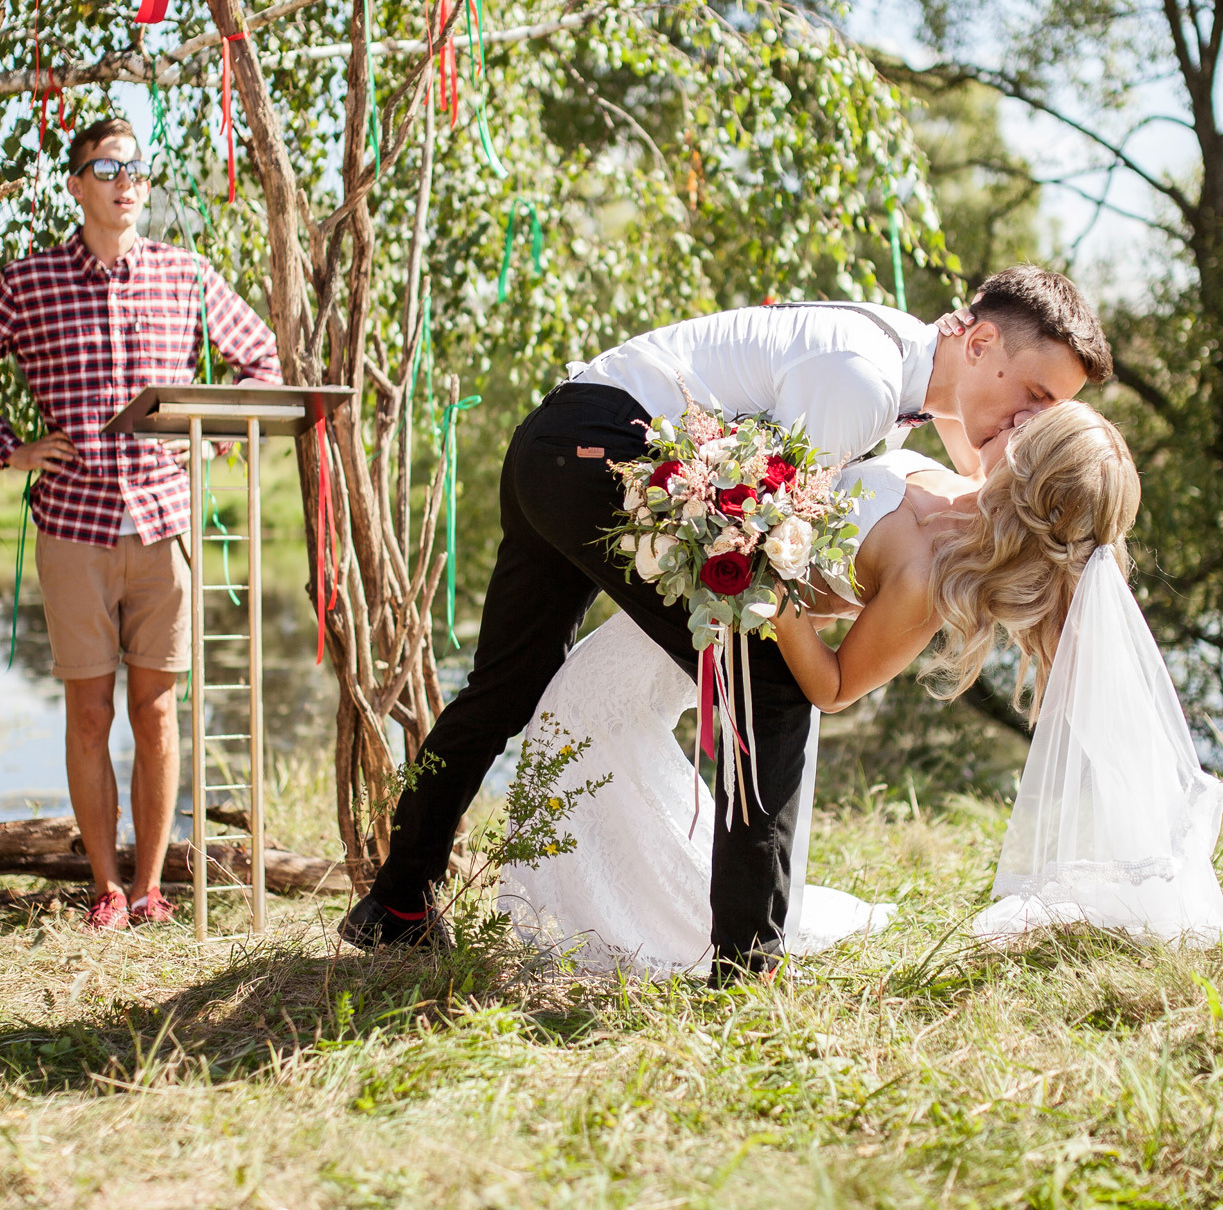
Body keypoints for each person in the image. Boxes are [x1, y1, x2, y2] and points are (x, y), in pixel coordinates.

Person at [342, 266, 1114, 983]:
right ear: (979, 343)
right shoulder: (863, 383)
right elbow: (768, 533)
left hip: (555, 443)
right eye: (1037, 394)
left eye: (1051, 411)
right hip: (610, 451)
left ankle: (397, 903)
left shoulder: (903, 362)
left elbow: (959, 454)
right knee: (769, 687)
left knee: (506, 684)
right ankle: (748, 965)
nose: (1032, 420)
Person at [500, 402, 1223, 970]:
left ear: (1029, 467)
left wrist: (770, 577)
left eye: (1033, 423)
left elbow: (836, 686)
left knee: (577, 718)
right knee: (577, 717)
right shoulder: (957, 478)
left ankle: (612, 918)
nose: (1017, 415)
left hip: (735, 622)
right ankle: (616, 897)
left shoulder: (930, 579)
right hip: (695, 608)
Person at [0, 116, 281, 931]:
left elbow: (261, 361)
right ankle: (107, 889)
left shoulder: (185, 275)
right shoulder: (29, 282)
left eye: (135, 168)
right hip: (73, 525)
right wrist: (10, 448)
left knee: (156, 710)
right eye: (107, 167)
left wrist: (211, 439)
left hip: (164, 523)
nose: (126, 181)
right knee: (89, 710)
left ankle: (152, 888)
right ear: (76, 184)